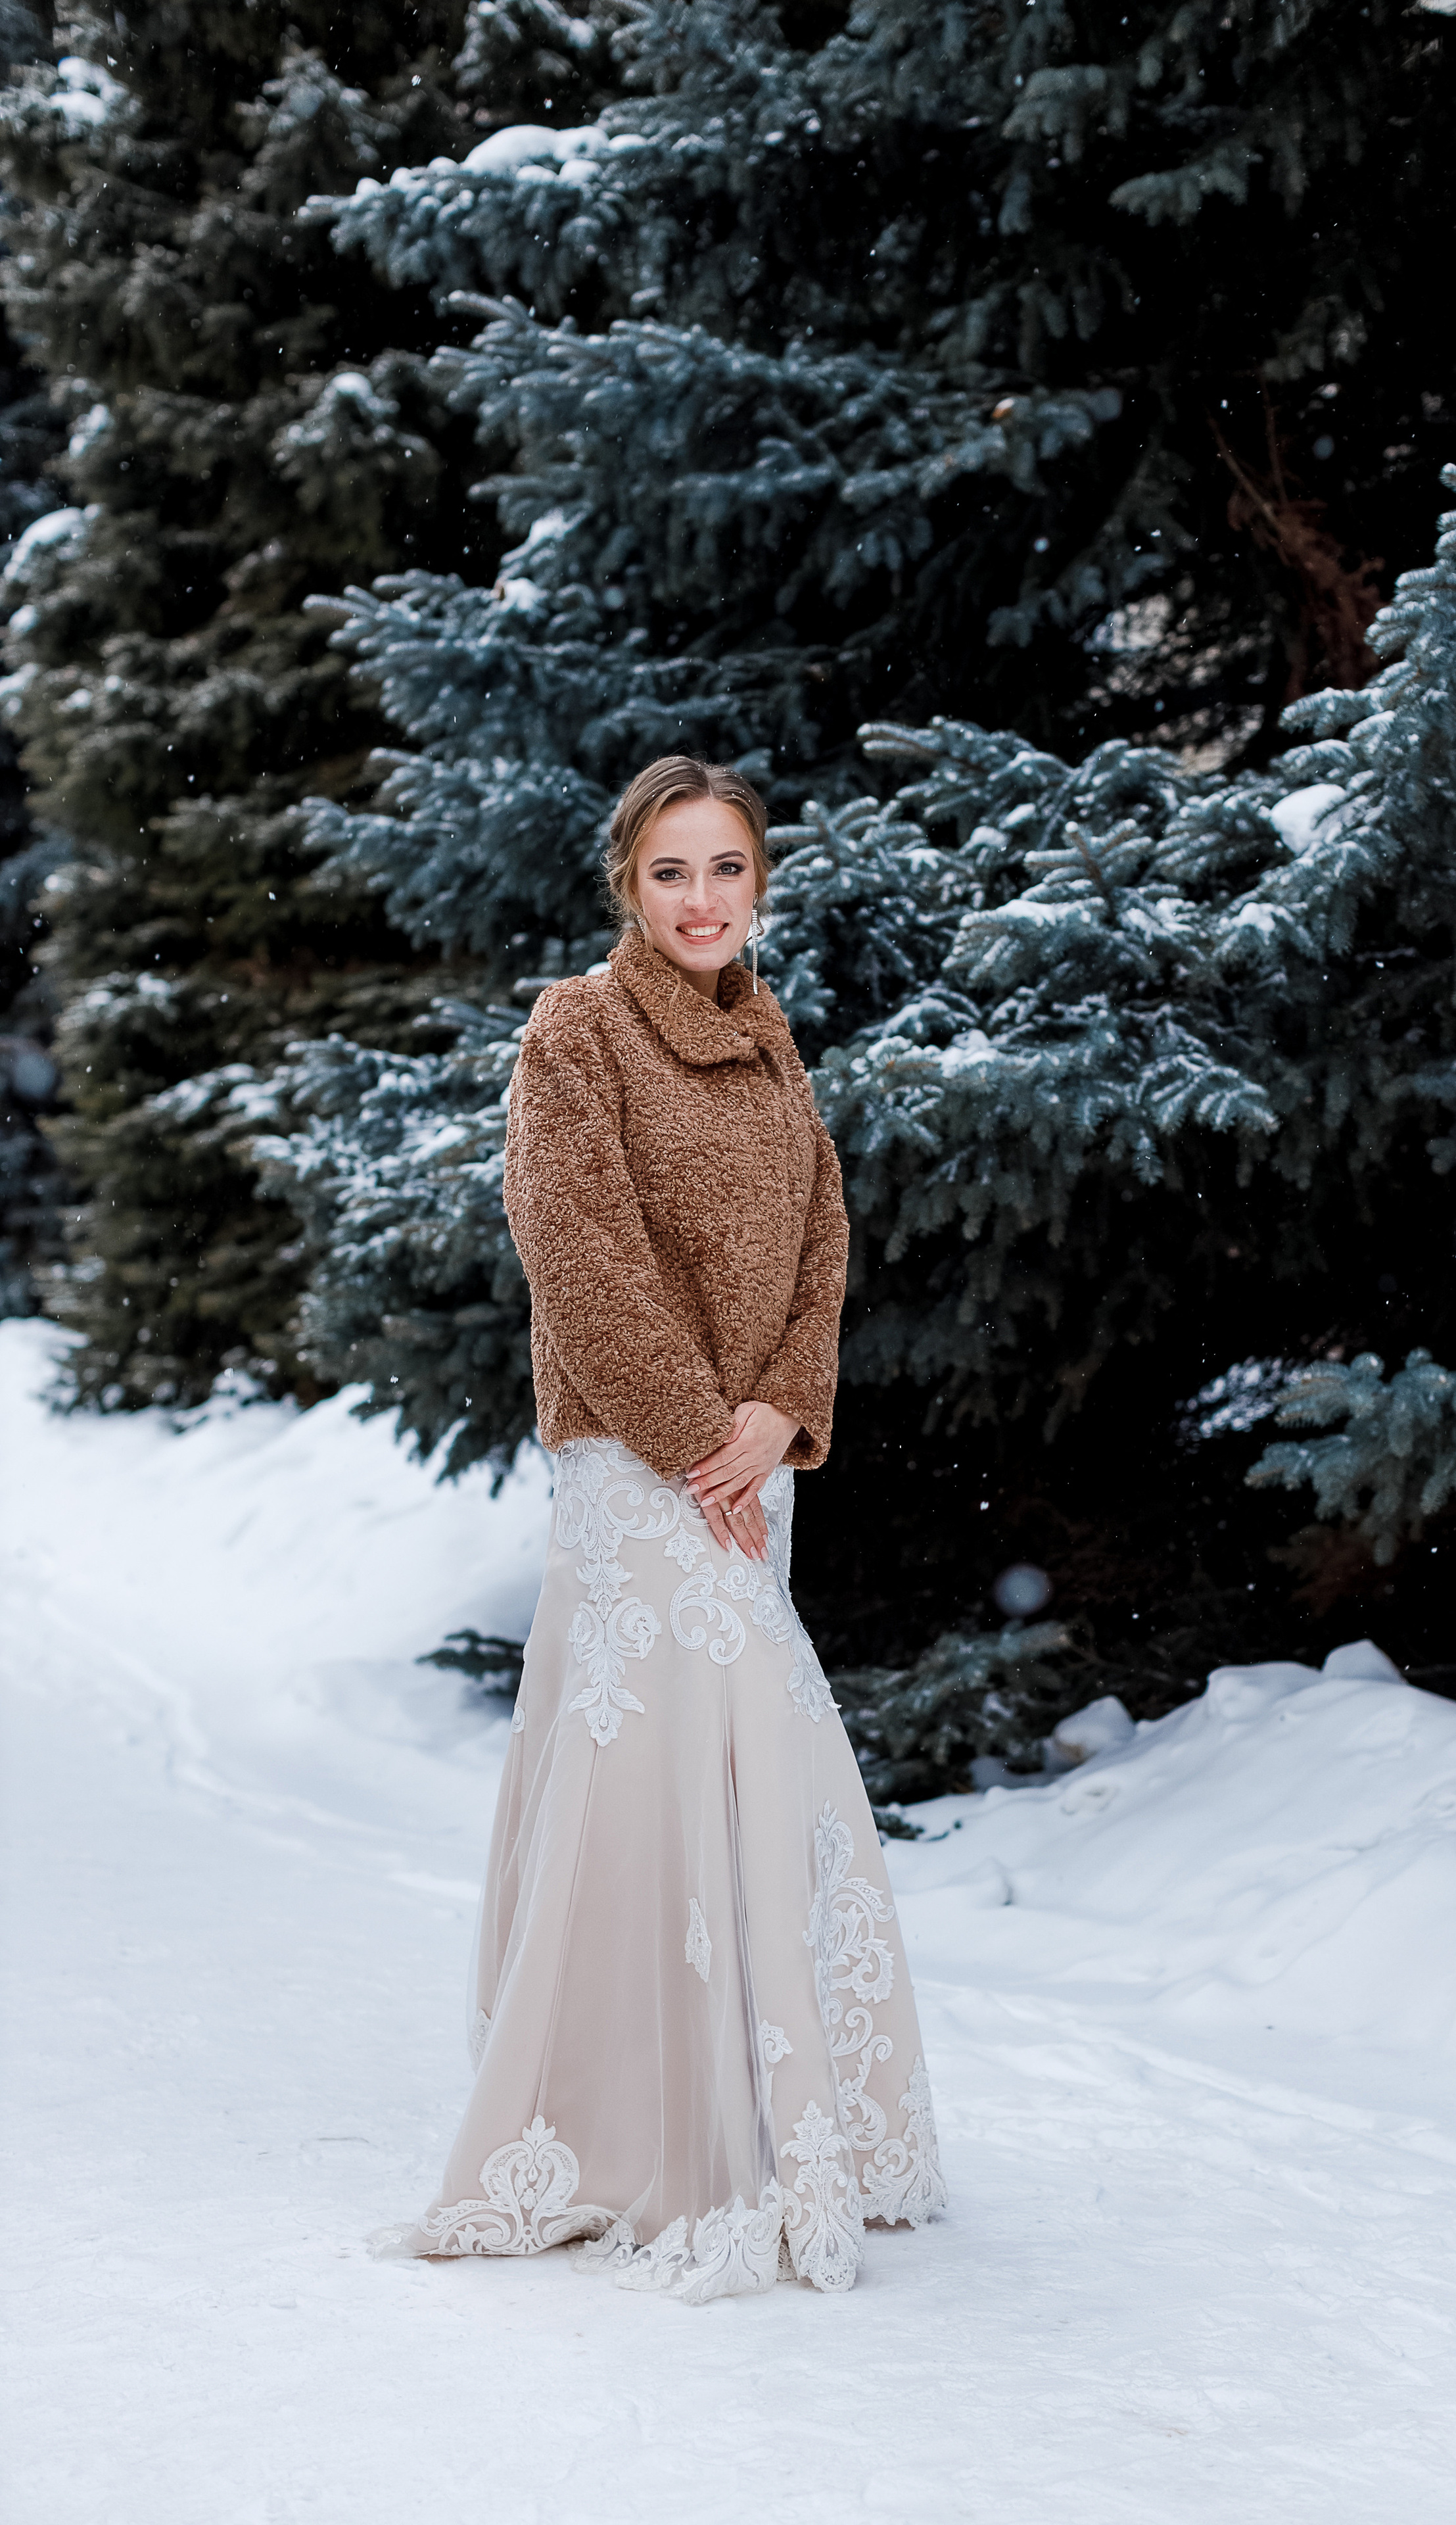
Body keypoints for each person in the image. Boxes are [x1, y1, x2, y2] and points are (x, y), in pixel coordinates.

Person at [377, 756, 945, 2302]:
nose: (703, 901)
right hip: (641, 1468)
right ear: (626, 886)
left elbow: (824, 1240)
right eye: (672, 873)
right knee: (677, 1760)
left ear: (760, 886)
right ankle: (626, 2127)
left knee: (746, 1775)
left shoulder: (769, 1041)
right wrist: (705, 1438)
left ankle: (773, 2117)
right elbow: (577, 1249)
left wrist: (777, 1416)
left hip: (753, 1464)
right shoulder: (577, 1031)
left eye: (729, 872)